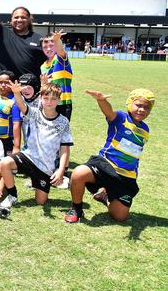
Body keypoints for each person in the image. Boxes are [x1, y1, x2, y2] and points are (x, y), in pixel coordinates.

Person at [0, 82, 72, 218]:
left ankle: (39, 185)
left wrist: (61, 170)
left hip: (45, 167)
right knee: (5, 163)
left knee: (40, 201)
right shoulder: (35, 114)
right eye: (46, 98)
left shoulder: (63, 122)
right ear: (41, 99)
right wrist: (16, 93)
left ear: (59, 99)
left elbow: (65, 149)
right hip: (28, 157)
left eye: (53, 98)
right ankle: (12, 195)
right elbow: (22, 106)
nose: (49, 102)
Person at [64, 89, 154, 224]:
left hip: (125, 176)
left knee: (120, 217)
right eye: (138, 105)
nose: (141, 109)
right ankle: (76, 209)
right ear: (130, 103)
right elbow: (109, 112)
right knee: (78, 173)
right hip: (105, 165)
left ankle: (105, 195)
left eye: (146, 107)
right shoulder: (121, 118)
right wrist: (101, 100)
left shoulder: (145, 130)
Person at [0, 0, 46, 83]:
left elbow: (49, 64)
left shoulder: (39, 39)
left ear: (29, 20)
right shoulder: (1, 33)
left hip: (28, 90)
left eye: (23, 17)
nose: (19, 19)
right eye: (16, 17)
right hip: (2, 88)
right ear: (11, 20)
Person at [41, 30, 73, 120]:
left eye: (52, 46)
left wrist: (57, 40)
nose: (48, 49)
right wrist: (43, 83)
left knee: (61, 132)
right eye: (45, 47)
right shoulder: (43, 66)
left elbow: (61, 51)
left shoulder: (60, 60)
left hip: (63, 103)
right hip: (48, 103)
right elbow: (45, 87)